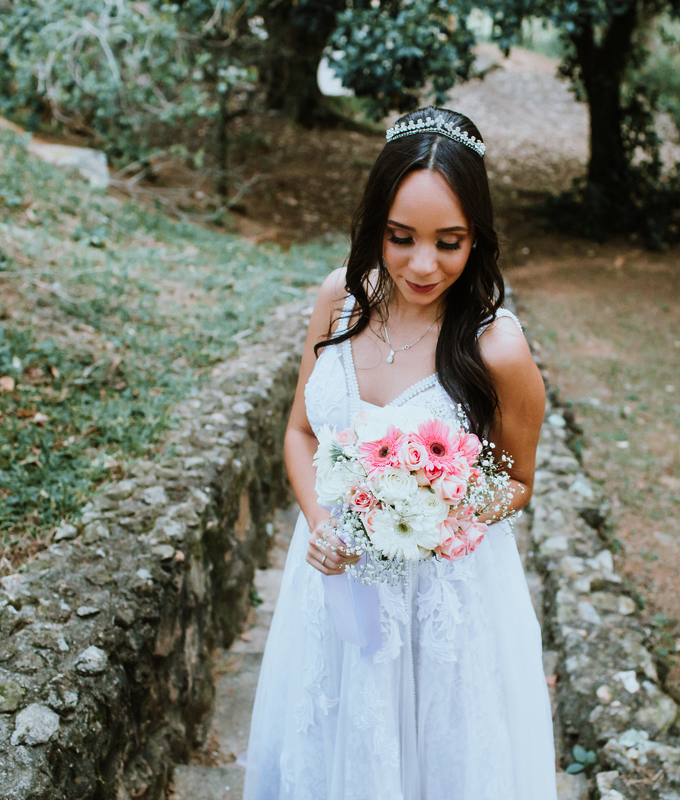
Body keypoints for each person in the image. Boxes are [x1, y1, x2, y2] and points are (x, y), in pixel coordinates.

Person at [241, 107, 557, 799]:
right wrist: (325, 525)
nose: (423, 264)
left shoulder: (496, 347)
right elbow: (300, 431)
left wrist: (435, 515)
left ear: (478, 236)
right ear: (374, 226)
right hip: (330, 577)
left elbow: (519, 480)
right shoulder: (340, 300)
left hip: (440, 599)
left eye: (450, 242)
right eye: (400, 237)